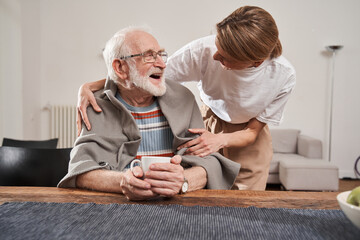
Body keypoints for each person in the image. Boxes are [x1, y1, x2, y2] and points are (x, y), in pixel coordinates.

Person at [76, 6, 296, 191]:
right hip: (209, 118)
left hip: (247, 132)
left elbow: (252, 132)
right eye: (216, 46)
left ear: (255, 62)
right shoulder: (203, 50)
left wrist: (219, 140)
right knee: (208, 193)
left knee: (247, 200)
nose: (215, 55)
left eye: (224, 57)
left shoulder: (282, 76)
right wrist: (90, 86)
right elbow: (144, 74)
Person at [58, 27, 240, 201]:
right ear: (120, 68)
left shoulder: (183, 98)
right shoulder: (94, 104)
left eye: (161, 54)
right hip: (119, 207)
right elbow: (80, 171)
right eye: (149, 56)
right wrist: (122, 181)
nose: (162, 64)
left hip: (179, 205)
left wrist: (183, 180)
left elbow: (209, 163)